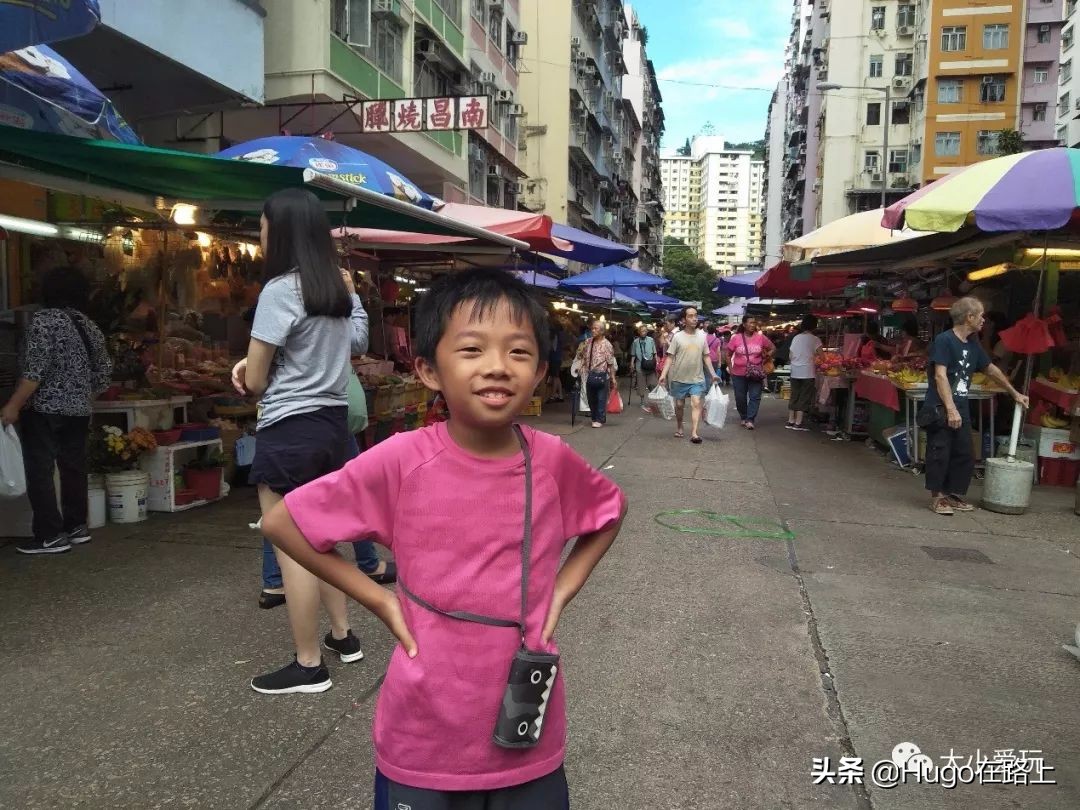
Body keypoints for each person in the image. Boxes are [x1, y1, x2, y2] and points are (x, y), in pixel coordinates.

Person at [260, 267, 626, 806]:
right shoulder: (402, 461)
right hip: (423, 739)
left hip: (528, 733)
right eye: (472, 349)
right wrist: (381, 600)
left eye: (519, 353)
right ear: (429, 369)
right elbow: (282, 524)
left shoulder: (550, 462)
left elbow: (609, 512)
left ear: (543, 371)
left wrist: (560, 592)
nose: (497, 367)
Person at [231, 188, 371, 694]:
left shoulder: (279, 290)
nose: (261, 233)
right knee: (325, 537)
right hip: (332, 425)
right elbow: (357, 341)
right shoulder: (337, 286)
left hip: (289, 428)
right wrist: (353, 294)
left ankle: (309, 664)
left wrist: (244, 370)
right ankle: (344, 636)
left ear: (281, 231)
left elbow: (258, 381)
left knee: (293, 548)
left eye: (264, 225)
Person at [1, 266, 112, 555]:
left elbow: (34, 371)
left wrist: (13, 406)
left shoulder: (43, 321)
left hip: (44, 409)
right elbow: (103, 371)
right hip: (78, 410)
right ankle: (77, 527)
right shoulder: (88, 325)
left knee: (41, 470)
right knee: (73, 467)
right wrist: (82, 396)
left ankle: (49, 535)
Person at [922, 297, 1028, 516]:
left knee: (965, 453)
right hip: (941, 407)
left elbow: (990, 369)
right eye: (980, 315)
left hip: (961, 405)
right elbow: (940, 376)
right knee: (940, 451)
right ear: (969, 317)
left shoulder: (973, 343)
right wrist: (950, 408)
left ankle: (953, 494)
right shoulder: (944, 340)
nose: (983, 320)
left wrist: (1014, 392)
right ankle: (938, 497)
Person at [657, 306, 717, 444]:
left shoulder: (702, 337)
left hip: (697, 378)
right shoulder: (677, 337)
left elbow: (706, 357)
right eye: (690, 316)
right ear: (683, 320)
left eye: (695, 315)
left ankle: (695, 433)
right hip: (679, 378)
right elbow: (670, 357)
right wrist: (663, 375)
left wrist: (713, 374)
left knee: (696, 402)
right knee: (679, 405)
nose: (694, 318)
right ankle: (679, 427)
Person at [727, 314, 775, 430]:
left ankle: (750, 419)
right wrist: (731, 370)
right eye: (750, 322)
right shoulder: (736, 338)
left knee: (755, 396)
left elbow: (773, 348)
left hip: (756, 373)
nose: (753, 325)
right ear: (744, 324)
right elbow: (728, 355)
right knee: (740, 397)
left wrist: (767, 355)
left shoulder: (761, 337)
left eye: (754, 323)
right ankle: (743, 416)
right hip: (739, 373)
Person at [574, 318, 617, 428]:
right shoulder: (588, 342)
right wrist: (580, 367)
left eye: (596, 328)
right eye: (592, 328)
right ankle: (594, 417)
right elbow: (583, 356)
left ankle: (600, 419)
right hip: (589, 374)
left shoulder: (607, 344)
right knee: (591, 398)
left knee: (601, 398)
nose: (593, 330)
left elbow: (610, 362)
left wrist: (613, 378)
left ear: (602, 331)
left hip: (602, 375)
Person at [786, 315, 822, 432]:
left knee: (794, 395)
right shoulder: (815, 339)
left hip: (795, 371)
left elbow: (791, 355)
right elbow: (822, 356)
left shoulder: (796, 338)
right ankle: (798, 423)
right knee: (804, 396)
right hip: (808, 372)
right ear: (814, 326)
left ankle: (790, 420)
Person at [629, 324, 658, 407]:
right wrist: (631, 364)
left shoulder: (651, 340)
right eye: (642, 331)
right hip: (639, 365)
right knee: (641, 384)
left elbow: (654, 352)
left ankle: (652, 399)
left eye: (645, 331)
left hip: (650, 364)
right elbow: (633, 354)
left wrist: (656, 362)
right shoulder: (635, 342)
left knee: (652, 383)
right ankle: (642, 400)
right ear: (639, 332)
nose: (644, 333)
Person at [545, 323, 565, 403]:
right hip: (557, 358)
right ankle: (560, 395)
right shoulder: (559, 336)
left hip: (554, 358)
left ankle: (553, 395)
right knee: (557, 377)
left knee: (555, 377)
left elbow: (553, 348)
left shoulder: (555, 337)